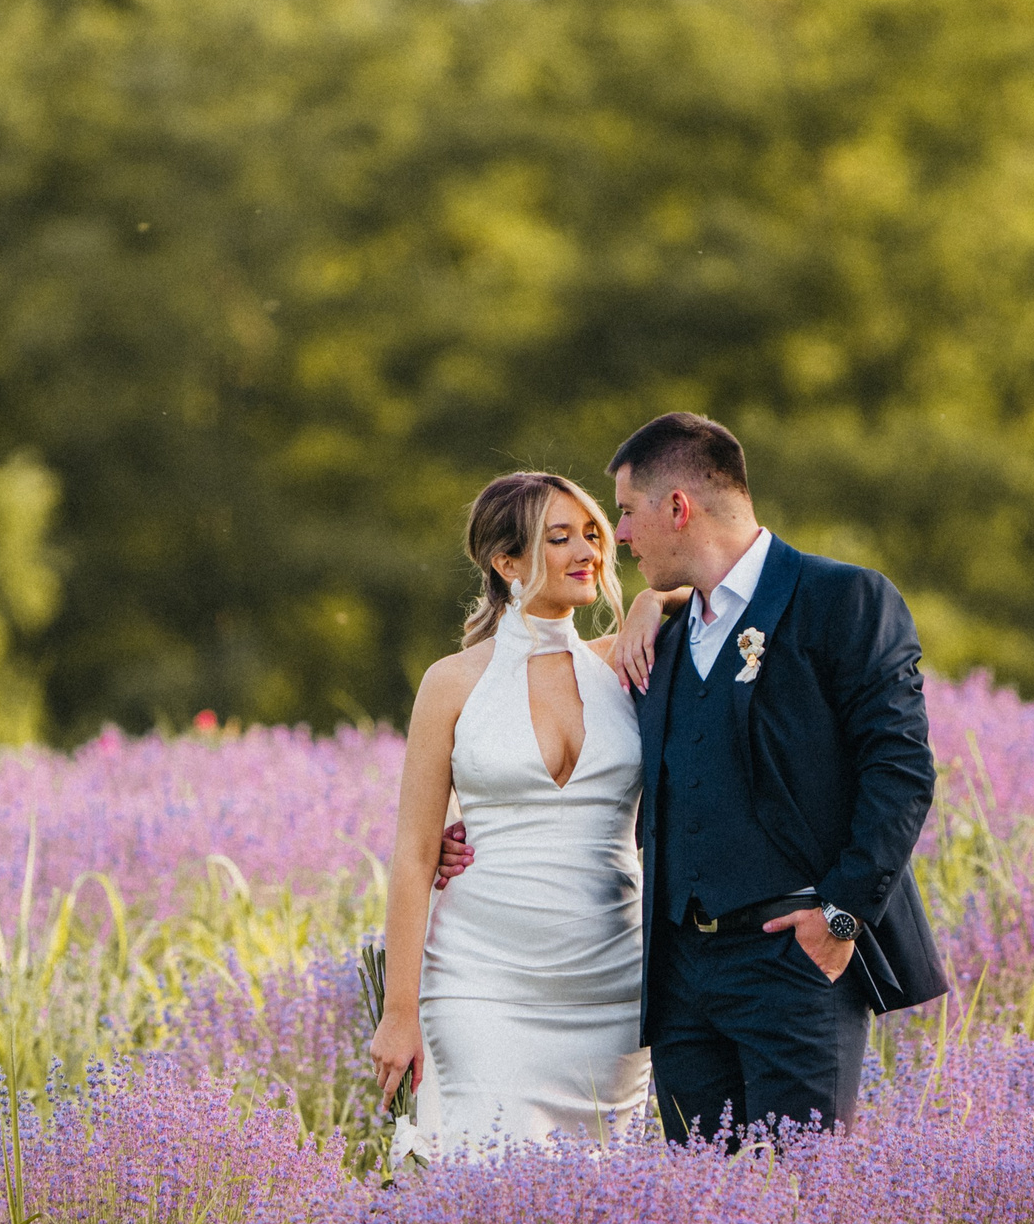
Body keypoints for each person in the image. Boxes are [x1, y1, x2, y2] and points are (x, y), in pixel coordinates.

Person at [433, 412, 945, 1143]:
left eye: (628, 513)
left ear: (678, 508)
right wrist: (476, 830)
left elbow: (901, 771)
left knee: (802, 1199)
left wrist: (841, 917)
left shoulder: (846, 601)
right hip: (680, 983)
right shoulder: (661, 642)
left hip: (795, 962)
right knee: (695, 1210)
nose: (623, 538)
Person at [365, 471, 676, 1156]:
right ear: (507, 563)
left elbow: (727, 584)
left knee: (601, 1218)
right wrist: (399, 1011)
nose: (587, 551)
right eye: (559, 538)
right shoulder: (451, 684)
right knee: (480, 1200)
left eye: (594, 534)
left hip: (613, 996)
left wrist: (656, 599)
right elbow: (416, 856)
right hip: (482, 986)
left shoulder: (625, 663)